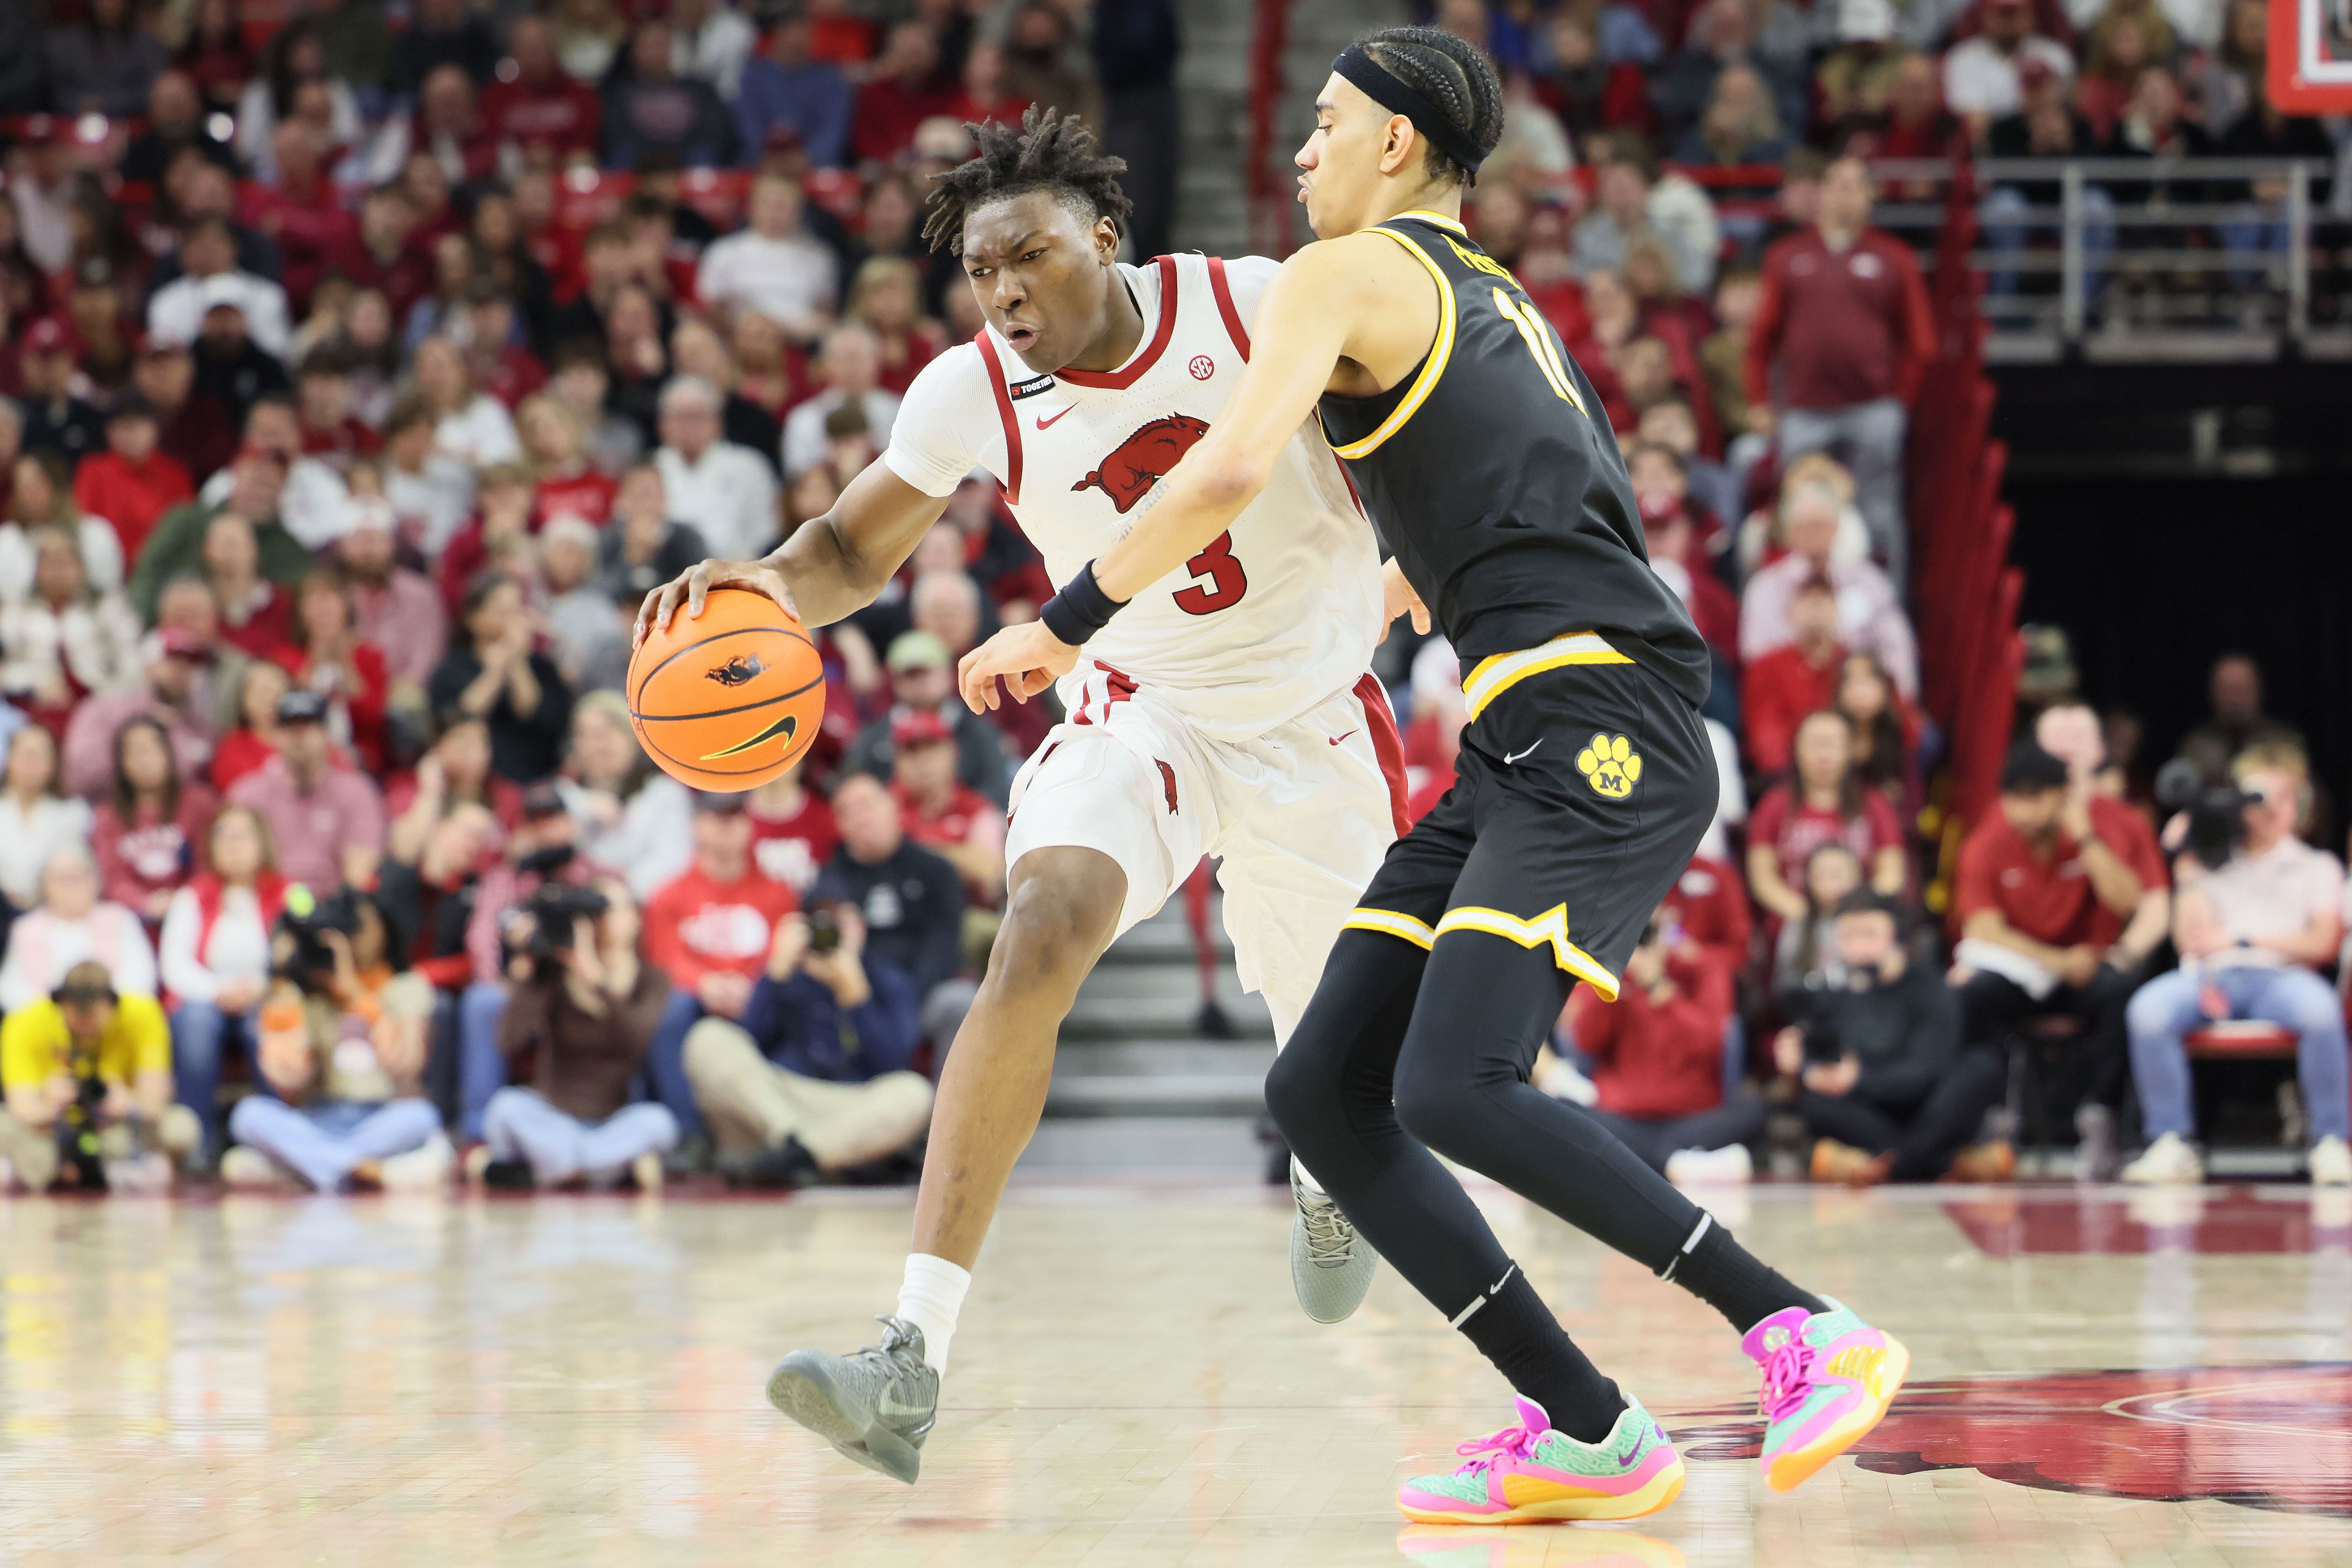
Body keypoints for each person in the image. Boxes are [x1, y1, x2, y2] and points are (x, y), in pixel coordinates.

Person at [949, 42, 1900, 1515]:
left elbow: (1214, 471)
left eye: (1322, 128)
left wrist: (1057, 619)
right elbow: (1564, 471)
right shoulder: (1489, 289)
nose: (1300, 158)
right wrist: (1422, 559)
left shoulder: (1340, 272)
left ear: (1394, 142)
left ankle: (1798, 1326)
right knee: (1324, 1091)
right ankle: (1586, 1425)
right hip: (1528, 726)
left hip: (1596, 717)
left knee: (1454, 1081)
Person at [639, 98, 1413, 1481]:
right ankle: (908, 1354)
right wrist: (756, 586)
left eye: (1031, 258)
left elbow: (1403, 438)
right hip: (1141, 708)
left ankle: (1329, 1168)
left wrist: (1424, 568)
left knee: (1341, 1076)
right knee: (1042, 927)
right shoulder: (970, 389)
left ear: (1105, 235)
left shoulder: (1245, 307)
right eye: (983, 273)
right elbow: (850, 547)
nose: (1004, 293)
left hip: (1312, 725)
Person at [2122, 745, 2351, 1187]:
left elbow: (2323, 941)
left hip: (2283, 977)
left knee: (2321, 1012)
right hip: (2212, 977)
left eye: (2281, 799)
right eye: (2255, 799)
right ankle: (2171, 1141)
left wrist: (2246, 939)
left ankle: (2330, 1141)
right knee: (2148, 1010)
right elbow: (2189, 939)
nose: (2266, 811)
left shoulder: (2316, 865)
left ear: (2296, 805)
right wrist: (2187, 864)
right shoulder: (2210, 859)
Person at [1952, 735, 2167, 1179]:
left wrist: (2085, 835)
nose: (2024, 812)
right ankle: (1991, 1119)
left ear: (2063, 796)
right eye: (2015, 799)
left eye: (2037, 799)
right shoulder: (1987, 840)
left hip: (2084, 974)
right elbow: (1983, 928)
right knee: (1974, 994)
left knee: (2122, 991)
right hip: (2024, 972)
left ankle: (2100, 1116)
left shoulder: (2093, 831)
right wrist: (2055, 959)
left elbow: (2128, 901)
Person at [1744, 157, 1934, 585]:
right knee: (1800, 509)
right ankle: (1799, 601)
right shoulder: (1787, 256)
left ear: (1871, 197)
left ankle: (1884, 603)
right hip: (1805, 409)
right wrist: (1760, 401)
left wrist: (1899, 399)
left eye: (1855, 186)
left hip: (1873, 407)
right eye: (1837, 184)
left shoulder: (1894, 258)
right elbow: (1762, 339)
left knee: (1879, 514)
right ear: (1822, 193)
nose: (1845, 194)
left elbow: (1920, 341)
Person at [682, 899, 934, 1187]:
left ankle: (794, 1157)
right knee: (708, 1037)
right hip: (776, 1100)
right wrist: (775, 975)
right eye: (819, 925)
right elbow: (746, 1047)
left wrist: (857, 997)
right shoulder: (785, 973)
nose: (829, 935)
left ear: (861, 928)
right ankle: (803, 1153)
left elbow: (893, 1064)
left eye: (840, 924)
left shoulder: (887, 980)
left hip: (852, 1107)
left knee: (915, 1092)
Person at [219, 895, 448, 1192]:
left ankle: (310, 1166)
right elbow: (289, 1080)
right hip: (317, 1117)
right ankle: (353, 1169)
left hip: (379, 1118)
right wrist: (287, 988)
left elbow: (404, 1064)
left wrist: (356, 996)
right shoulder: (299, 999)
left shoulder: (405, 987)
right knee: (248, 1115)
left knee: (422, 1116)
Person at [1777, 892, 2009, 1185]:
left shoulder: (1931, 986)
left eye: (1869, 934)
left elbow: (1929, 1068)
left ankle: (1891, 1165)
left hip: (1929, 1105)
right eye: (1849, 936)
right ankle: (1942, 1163)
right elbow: (1822, 1066)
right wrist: (1796, 1071)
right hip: (1872, 1115)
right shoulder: (1832, 996)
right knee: (1814, 1101)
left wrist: (1860, 1079)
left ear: (1895, 934)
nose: (1859, 945)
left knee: (1981, 1066)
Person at [478, 875, 679, 1189]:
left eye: (615, 909)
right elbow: (508, 1041)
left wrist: (596, 977)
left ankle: (561, 1167)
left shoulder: (652, 980)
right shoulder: (556, 971)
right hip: (551, 1117)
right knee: (505, 1109)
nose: (607, 919)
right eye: (598, 910)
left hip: (612, 1121)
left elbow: (638, 1041)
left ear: (637, 919)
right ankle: (605, 1169)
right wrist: (533, 969)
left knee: (659, 1124)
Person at [1563, 909, 1766, 1181]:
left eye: (1651, 931)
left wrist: (1660, 989)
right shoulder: (1610, 973)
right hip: (1623, 1116)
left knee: (1754, 1109)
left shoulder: (1702, 969)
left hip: (1692, 1116)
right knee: (1564, 1111)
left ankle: (1651, 1159)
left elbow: (1710, 1045)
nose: (1644, 940)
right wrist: (1612, 974)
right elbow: (1586, 1040)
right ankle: (1680, 1160)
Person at [0, 962, 196, 1192]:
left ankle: (92, 1167)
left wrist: (128, 1103)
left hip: (117, 1127)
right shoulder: (25, 1020)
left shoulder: (142, 1013)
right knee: (24, 1145)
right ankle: (124, 1167)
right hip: (52, 1130)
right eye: (77, 1024)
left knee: (182, 1128)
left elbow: (155, 1101)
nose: (85, 1029)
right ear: (60, 1005)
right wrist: (48, 1103)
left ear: (112, 1005)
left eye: (93, 1023)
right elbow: (21, 1107)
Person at [160, 806, 286, 1164]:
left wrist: (260, 989)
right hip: (207, 998)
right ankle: (195, 1144)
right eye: (224, 835)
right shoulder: (193, 896)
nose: (233, 844)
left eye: (243, 835)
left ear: (263, 842)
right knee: (196, 1022)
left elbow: (298, 960)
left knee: (270, 1022)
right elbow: (175, 965)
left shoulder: (289, 894)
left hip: (266, 995)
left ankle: (277, 1142)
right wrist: (219, 992)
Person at [1748, 710, 1908, 928]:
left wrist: (1860, 907)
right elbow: (1762, 878)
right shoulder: (1774, 804)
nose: (1823, 754)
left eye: (1832, 744)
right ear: (1796, 749)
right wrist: (1804, 913)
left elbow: (1892, 871)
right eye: (1815, 744)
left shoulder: (1874, 804)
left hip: (1858, 928)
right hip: (1794, 928)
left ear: (1850, 751)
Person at [226, 690, 387, 895]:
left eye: (309, 726)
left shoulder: (356, 792)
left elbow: (360, 872)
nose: (300, 737)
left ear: (326, 733)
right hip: (265, 907)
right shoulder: (247, 795)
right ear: (277, 736)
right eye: (291, 728)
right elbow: (232, 868)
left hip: (333, 908)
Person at [427, 573, 575, 784]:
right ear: (473, 618)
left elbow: (534, 713)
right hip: (477, 781)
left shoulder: (543, 669)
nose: (511, 620)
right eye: (501, 611)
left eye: (516, 611)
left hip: (538, 776)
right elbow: (460, 716)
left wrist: (518, 663)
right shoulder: (450, 671)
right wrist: (496, 669)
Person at [559, 691, 694, 900]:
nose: (599, 746)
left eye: (607, 733)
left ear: (632, 738)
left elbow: (674, 863)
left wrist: (617, 887)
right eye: (588, 736)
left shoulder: (664, 794)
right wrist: (583, 806)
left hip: (640, 909)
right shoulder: (564, 795)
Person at [93, 714, 219, 928]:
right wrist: (146, 903)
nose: (145, 760)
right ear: (122, 764)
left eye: (151, 750)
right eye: (134, 753)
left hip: (197, 914)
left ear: (168, 753)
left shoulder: (200, 804)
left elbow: (209, 865)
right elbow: (113, 879)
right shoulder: (108, 817)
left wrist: (183, 900)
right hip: (134, 922)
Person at [0, 845, 159, 1013]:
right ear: (45, 885)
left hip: (113, 1015)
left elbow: (142, 976)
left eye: (79, 876)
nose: (71, 885)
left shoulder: (120, 919)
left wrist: (102, 1005)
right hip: (48, 1021)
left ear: (96, 880)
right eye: (62, 878)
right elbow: (11, 987)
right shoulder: (26, 928)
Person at [652, 376, 780, 566]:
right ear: (663, 423)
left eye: (696, 416)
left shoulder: (749, 466)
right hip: (665, 578)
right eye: (679, 417)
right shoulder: (651, 467)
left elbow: (765, 532)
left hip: (735, 574)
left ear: (717, 421)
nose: (688, 426)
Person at [694, 176, 838, 343]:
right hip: (741, 341)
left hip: (803, 343)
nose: (774, 214)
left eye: (782, 207)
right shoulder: (724, 252)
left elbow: (827, 313)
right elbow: (712, 312)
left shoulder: (819, 256)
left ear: (798, 211)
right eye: (767, 205)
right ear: (752, 208)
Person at [1742, 576, 1845, 778]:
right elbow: (1765, 733)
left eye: (1823, 601)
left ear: (1836, 610)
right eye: (1806, 601)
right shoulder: (1766, 666)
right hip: (1787, 777)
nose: (1816, 610)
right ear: (1790, 611)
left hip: (1848, 774)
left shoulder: (1851, 663)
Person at [0, 725, 95, 920]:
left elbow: (75, 873)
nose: (32, 764)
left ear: (54, 765)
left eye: (40, 756)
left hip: (52, 915)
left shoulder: (73, 814)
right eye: (26, 755)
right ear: (8, 760)